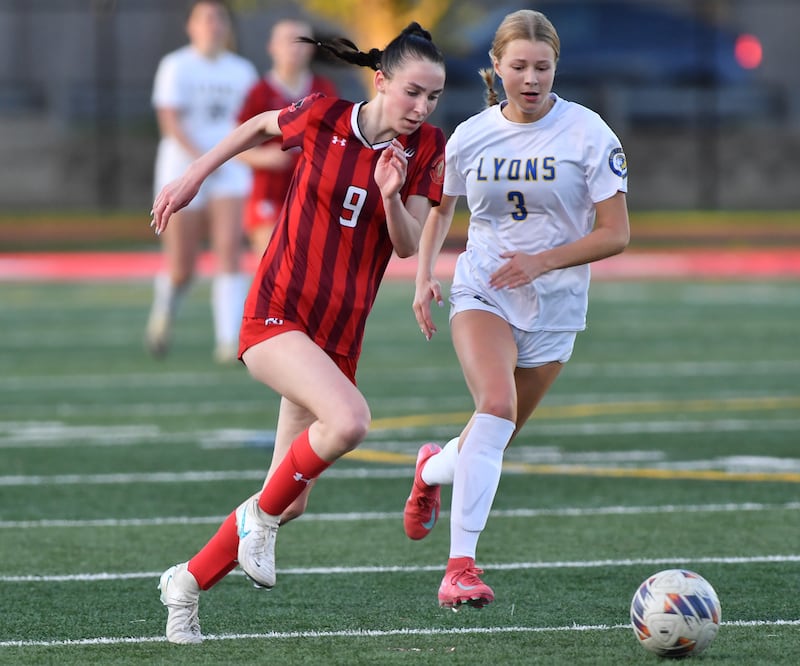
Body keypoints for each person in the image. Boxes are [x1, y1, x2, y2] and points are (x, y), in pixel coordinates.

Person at [151, 23, 446, 644]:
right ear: (382, 80)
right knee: (349, 422)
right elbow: (258, 127)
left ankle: (185, 583)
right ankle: (255, 519)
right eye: (413, 93)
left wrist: (391, 195)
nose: (421, 108)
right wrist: (194, 175)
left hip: (336, 335)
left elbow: (407, 244)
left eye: (433, 98)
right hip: (277, 312)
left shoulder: (427, 151)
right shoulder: (322, 114)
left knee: (290, 502)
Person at [402, 9, 630, 611]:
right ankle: (460, 570)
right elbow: (443, 208)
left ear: (556, 67)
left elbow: (616, 233)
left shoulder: (589, 134)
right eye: (519, 66)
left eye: (543, 67)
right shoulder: (471, 136)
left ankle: (429, 469)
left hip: (556, 308)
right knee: (495, 406)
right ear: (496, 67)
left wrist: (543, 262)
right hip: (483, 290)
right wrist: (425, 274)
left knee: (491, 437)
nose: (531, 78)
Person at [146, 0, 258, 363]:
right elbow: (170, 123)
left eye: (219, 18)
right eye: (205, 18)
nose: (213, 25)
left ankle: (229, 341)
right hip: (182, 170)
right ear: (190, 26)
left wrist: (231, 157)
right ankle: (164, 311)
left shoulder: (242, 71)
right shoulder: (175, 65)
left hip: (231, 169)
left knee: (229, 250)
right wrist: (202, 162)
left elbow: (253, 124)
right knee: (182, 267)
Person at [236, 18, 338, 257]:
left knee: (310, 264)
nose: (294, 48)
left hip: (313, 190)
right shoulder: (259, 92)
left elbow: (337, 139)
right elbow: (236, 145)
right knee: (273, 261)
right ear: (272, 47)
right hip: (269, 190)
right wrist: (262, 157)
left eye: (301, 41)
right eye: (287, 41)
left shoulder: (324, 89)